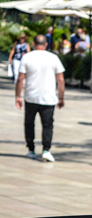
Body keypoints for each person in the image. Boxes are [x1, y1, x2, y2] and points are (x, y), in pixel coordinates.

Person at [15, 34, 65, 162]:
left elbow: (20, 78)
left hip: (31, 97)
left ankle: (31, 150)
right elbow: (60, 79)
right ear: (46, 44)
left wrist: (17, 96)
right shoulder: (54, 58)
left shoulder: (27, 57)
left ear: (33, 44)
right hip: (48, 98)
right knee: (47, 125)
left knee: (29, 123)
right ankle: (46, 150)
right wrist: (61, 97)